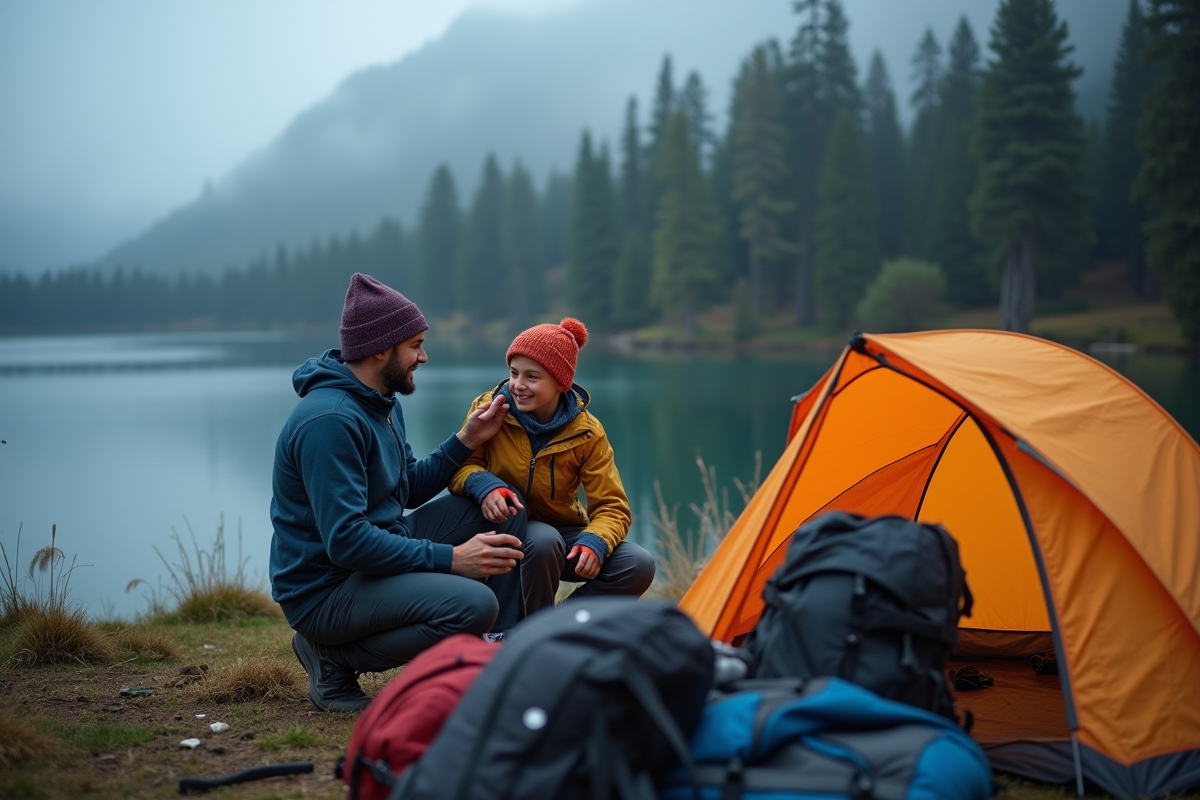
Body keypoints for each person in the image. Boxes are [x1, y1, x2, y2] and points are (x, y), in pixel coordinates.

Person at [270, 273, 529, 713]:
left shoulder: (379, 400)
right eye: (415, 345)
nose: (423, 357)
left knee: (503, 508)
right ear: (379, 349)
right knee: (472, 605)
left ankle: (493, 659)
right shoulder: (329, 422)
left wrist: (465, 440)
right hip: (325, 590)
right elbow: (347, 540)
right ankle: (331, 656)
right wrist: (451, 559)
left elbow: (405, 488)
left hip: (372, 557)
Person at [449, 317, 656, 615]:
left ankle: (562, 624)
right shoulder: (489, 410)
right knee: (542, 540)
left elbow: (613, 506)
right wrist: (483, 484)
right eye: (513, 373)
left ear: (561, 382)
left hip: (564, 535)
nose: (518, 385)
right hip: (503, 530)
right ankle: (526, 633)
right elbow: (459, 467)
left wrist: (595, 541)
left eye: (532, 377)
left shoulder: (587, 431)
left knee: (637, 564)